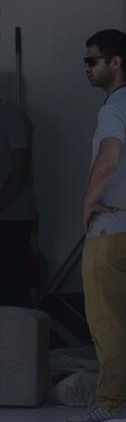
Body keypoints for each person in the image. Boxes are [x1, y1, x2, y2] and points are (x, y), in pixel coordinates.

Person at [66, 30, 126, 422]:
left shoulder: (113, 110)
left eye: (92, 61)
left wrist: (87, 204)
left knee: (107, 319)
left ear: (116, 62)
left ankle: (111, 403)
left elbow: (108, 156)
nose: (86, 68)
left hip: (111, 228)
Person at [0, 98, 35, 307]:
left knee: (9, 285)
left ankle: (22, 337)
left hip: (12, 218)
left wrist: (1, 203)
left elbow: (21, 166)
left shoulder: (11, 115)